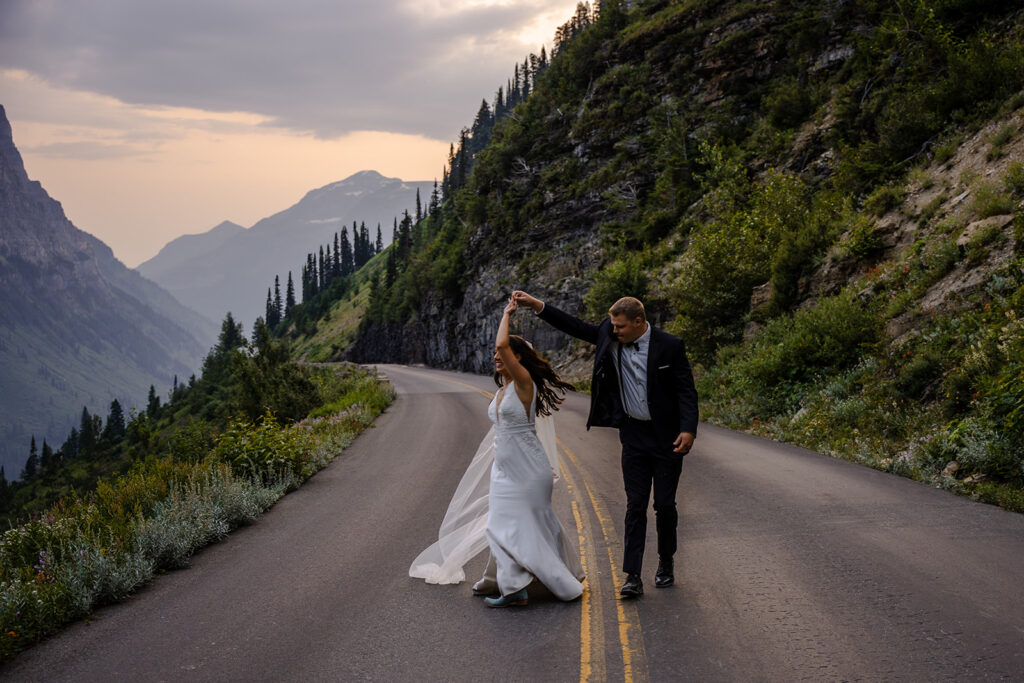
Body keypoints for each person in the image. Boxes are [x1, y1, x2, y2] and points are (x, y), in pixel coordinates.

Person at [513, 291, 698, 598]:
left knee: (664, 505)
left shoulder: (670, 346)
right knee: (635, 505)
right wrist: (537, 306)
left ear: (639, 322)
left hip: (667, 438)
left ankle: (666, 562)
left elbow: (686, 392)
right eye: (612, 326)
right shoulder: (608, 333)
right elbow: (574, 326)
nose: (615, 331)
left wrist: (688, 430)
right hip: (633, 436)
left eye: (621, 327)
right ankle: (633, 576)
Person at [409, 296, 584, 608]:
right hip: (504, 471)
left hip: (529, 471)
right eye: (495, 355)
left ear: (518, 358)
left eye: (503, 355)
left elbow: (503, 345)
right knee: (507, 525)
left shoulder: (523, 383)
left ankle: (525, 585)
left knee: (518, 525)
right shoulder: (502, 389)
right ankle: (513, 581)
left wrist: (507, 313)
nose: (496, 357)